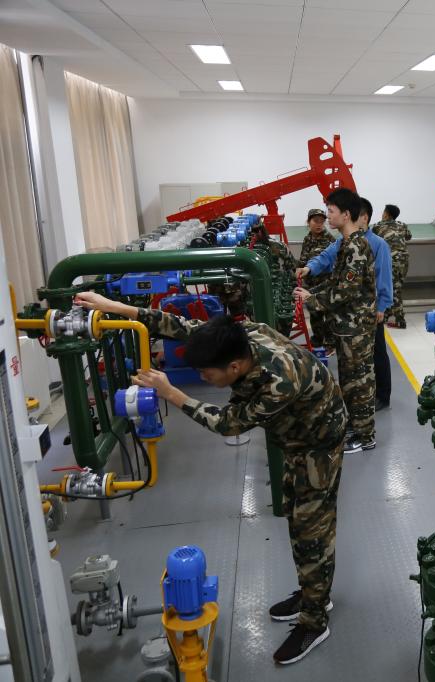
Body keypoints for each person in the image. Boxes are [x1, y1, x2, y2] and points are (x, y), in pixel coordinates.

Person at [73, 293, 345, 666]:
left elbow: (227, 424)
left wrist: (172, 394)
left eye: (207, 374)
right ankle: (313, 592)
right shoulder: (240, 336)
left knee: (311, 530)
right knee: (297, 519)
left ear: (234, 366)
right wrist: (116, 308)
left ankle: (315, 620)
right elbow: (182, 326)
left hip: (317, 444)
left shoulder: (279, 380)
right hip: (296, 437)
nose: (203, 377)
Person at [294, 188, 377, 455]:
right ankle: (355, 426)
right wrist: (311, 292)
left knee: (359, 382)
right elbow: (335, 282)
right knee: (350, 381)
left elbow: (346, 291)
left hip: (356, 328)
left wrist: (312, 299)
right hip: (347, 327)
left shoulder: (355, 246)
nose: (327, 216)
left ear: (346, 214)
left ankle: (365, 436)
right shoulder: (345, 243)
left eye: (331, 211)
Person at [357, 199, 395, 412]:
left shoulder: (378, 244)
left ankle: (383, 395)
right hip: (353, 309)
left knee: (377, 351)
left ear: (365, 218)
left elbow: (385, 278)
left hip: (372, 308)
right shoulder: (344, 242)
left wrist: (381, 307)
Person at [298, 208, 336, 348]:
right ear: (308, 222)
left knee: (328, 313)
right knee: (314, 313)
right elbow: (303, 259)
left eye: (321, 221)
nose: (319, 224)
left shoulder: (330, 240)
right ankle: (318, 337)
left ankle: (330, 340)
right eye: (315, 221)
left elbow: (331, 262)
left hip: (325, 283)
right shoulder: (307, 238)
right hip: (311, 283)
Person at [374, 204, 412, 329]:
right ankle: (386, 314)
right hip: (403, 261)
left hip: (389, 261)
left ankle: (400, 320)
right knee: (396, 287)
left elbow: (372, 239)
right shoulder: (402, 225)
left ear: (386, 214)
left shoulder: (378, 226)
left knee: (392, 289)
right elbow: (408, 236)